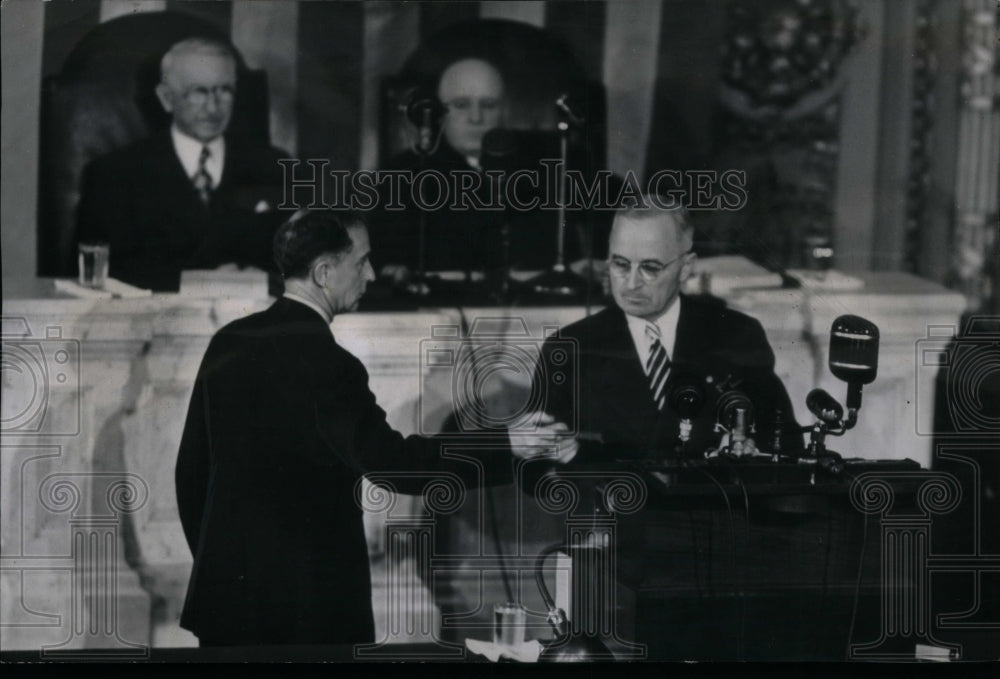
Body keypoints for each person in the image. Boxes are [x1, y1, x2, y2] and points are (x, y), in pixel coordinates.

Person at [175, 209, 576, 646]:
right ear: (325, 273)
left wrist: (224, 569)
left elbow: (190, 475)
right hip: (308, 611)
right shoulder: (331, 365)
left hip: (225, 604)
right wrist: (507, 443)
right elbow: (394, 465)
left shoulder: (227, 342)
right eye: (361, 261)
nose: (371, 273)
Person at [528, 199, 804, 471]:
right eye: (621, 264)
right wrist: (566, 455)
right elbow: (533, 473)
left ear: (685, 268)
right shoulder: (569, 348)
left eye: (650, 268)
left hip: (714, 511)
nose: (632, 283)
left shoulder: (737, 335)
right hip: (614, 513)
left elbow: (787, 445)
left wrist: (750, 452)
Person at [76, 37, 287, 292]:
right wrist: (204, 283)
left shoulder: (274, 166)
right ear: (166, 98)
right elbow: (101, 274)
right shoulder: (113, 174)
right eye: (198, 92)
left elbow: (300, 263)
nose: (213, 106)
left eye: (224, 90)